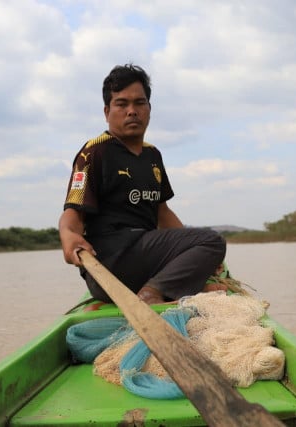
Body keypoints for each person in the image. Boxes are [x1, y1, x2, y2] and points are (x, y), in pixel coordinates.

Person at [58, 64, 226, 305]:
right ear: (107, 111)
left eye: (139, 103)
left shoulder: (152, 156)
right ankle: (152, 294)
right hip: (108, 268)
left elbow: (162, 214)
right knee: (213, 241)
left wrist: (198, 256)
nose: (131, 111)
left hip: (146, 257)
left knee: (204, 246)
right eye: (122, 104)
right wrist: (67, 235)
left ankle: (163, 285)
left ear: (149, 109)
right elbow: (72, 215)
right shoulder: (94, 153)